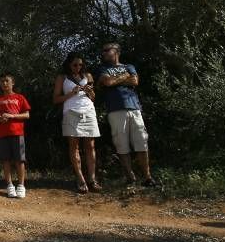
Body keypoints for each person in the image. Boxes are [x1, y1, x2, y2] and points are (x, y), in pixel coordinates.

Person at [95, 43, 157, 187]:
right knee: (121, 144)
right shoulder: (103, 69)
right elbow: (108, 82)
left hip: (134, 108)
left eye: (106, 50)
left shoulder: (129, 66)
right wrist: (124, 77)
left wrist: (116, 80)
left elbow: (135, 80)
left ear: (116, 52)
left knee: (142, 141)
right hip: (115, 110)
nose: (103, 53)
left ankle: (147, 177)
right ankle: (130, 177)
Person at [53, 52, 101, 193]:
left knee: (90, 145)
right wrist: (71, 94)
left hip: (88, 111)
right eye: (75, 64)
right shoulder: (62, 78)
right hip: (71, 112)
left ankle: (92, 179)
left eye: (80, 64)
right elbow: (55, 99)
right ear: (69, 64)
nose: (78, 67)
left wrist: (89, 92)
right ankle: (80, 178)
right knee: (74, 146)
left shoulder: (88, 76)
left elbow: (93, 97)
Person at [0, 73, 31, 198]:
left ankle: (21, 185)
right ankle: (9, 185)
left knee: (20, 160)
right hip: (2, 134)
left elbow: (27, 115)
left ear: (12, 83)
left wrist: (12, 116)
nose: (4, 83)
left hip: (17, 133)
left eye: (7, 81)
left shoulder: (19, 98)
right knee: (6, 160)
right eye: (2, 81)